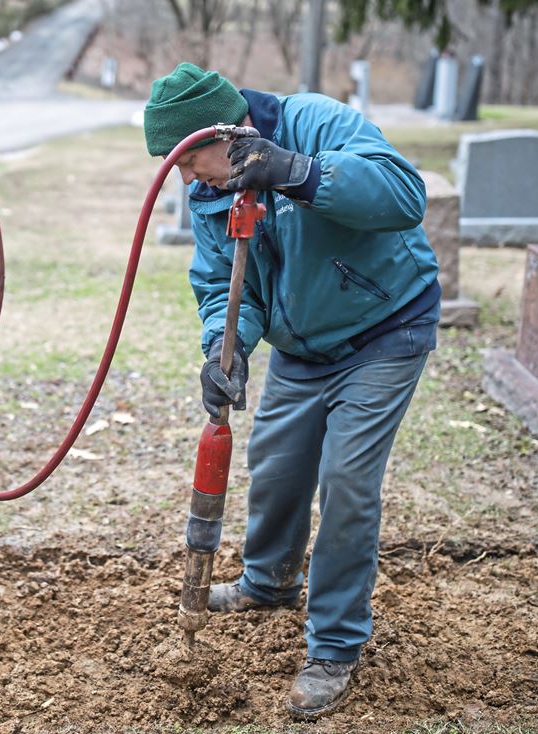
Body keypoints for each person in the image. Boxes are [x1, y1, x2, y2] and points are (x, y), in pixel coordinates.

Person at [144, 63, 440, 718]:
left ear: (223, 132)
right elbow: (229, 288)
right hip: (302, 347)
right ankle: (269, 583)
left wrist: (295, 172)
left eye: (190, 163)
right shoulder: (211, 194)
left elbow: (403, 195)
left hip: (384, 327)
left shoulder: (313, 122)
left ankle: (334, 645)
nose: (188, 181)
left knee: (346, 482)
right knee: (277, 468)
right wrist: (226, 351)